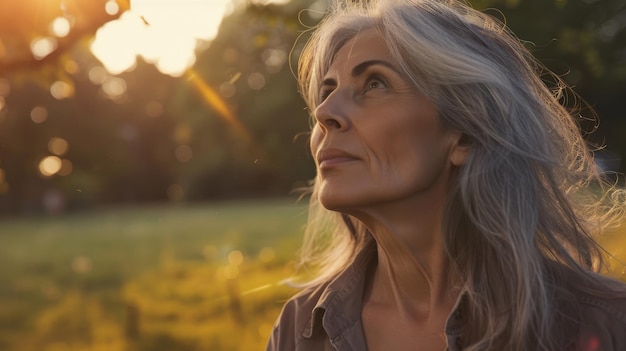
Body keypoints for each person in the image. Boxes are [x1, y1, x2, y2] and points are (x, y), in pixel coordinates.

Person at [267, 0, 626, 350]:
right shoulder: (299, 332)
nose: (324, 112)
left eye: (375, 83)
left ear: (464, 135)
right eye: (327, 92)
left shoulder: (607, 325)